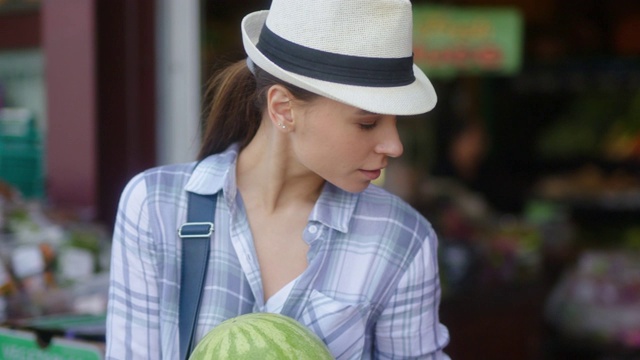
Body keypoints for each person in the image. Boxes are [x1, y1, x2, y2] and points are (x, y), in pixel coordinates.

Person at [106, 0, 450, 358]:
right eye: (367, 123)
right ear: (283, 109)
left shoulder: (402, 238)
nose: (394, 146)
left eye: (397, 122)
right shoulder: (156, 206)